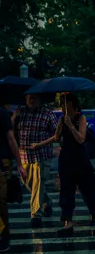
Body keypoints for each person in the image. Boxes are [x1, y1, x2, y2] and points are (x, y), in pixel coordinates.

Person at [31, 94, 95, 236]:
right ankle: (67, 222)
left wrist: (70, 126)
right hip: (66, 159)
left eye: (64, 102)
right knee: (66, 192)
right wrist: (39, 145)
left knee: (88, 189)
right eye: (61, 103)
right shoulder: (62, 119)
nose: (62, 105)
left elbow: (81, 139)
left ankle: (93, 212)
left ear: (72, 104)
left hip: (81, 159)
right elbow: (56, 137)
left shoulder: (80, 118)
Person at [12, 94, 58, 228]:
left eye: (34, 98)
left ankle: (35, 215)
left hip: (41, 154)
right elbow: (9, 130)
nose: (31, 100)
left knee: (38, 183)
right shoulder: (21, 112)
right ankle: (47, 202)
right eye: (28, 98)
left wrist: (41, 144)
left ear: (40, 99)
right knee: (29, 184)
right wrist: (14, 117)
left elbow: (57, 133)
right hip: (24, 155)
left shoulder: (47, 113)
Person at [0, 105, 27, 252]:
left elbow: (11, 139)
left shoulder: (2, 114)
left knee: (0, 201)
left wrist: (19, 164)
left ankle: (4, 236)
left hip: (2, 162)